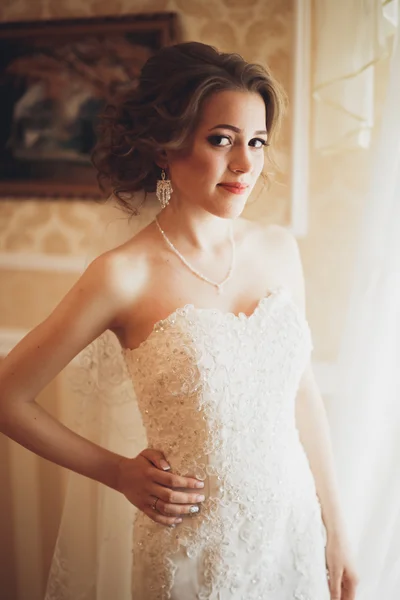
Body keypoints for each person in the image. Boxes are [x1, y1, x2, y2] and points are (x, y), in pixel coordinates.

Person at [0, 41, 358, 600]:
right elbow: (7, 395)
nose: (245, 164)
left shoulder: (279, 250)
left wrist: (336, 529)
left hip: (291, 532)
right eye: (222, 140)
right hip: (194, 555)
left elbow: (302, 392)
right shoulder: (123, 275)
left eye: (256, 142)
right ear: (166, 148)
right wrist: (118, 472)